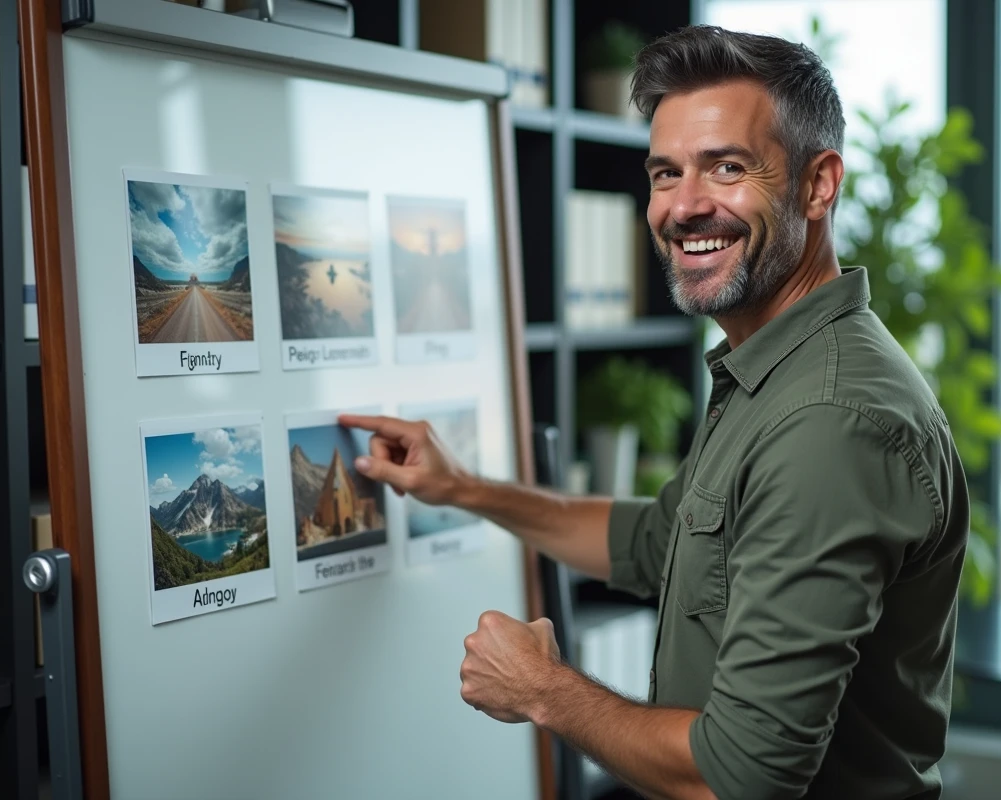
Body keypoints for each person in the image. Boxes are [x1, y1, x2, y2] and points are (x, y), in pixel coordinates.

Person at [340, 24, 969, 800]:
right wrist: (462, 487)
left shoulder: (828, 420)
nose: (685, 206)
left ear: (818, 185)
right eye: (666, 174)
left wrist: (543, 689)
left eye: (727, 168)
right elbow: (654, 543)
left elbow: (740, 776)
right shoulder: (773, 370)